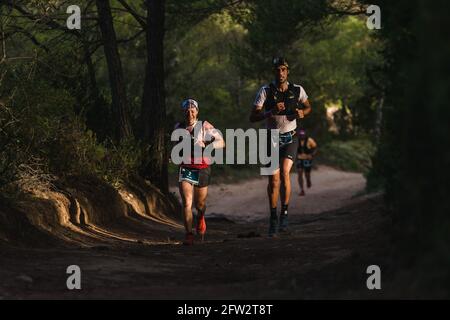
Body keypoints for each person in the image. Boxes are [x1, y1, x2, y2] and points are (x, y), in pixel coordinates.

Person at [249, 57, 312, 236]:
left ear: (287, 71)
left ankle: (284, 213)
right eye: (277, 70)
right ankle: (273, 217)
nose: (281, 73)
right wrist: (270, 112)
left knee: (285, 174)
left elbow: (308, 107)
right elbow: (252, 117)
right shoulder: (265, 91)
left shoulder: (297, 90)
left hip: (290, 138)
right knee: (273, 180)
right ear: (274, 72)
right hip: (271, 139)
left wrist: (302, 113)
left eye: (283, 69)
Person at [174, 98, 225, 245]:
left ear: (197, 111)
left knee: (200, 204)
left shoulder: (204, 125)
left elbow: (222, 142)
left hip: (202, 168)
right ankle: (189, 235)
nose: (189, 113)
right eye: (187, 111)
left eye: (192, 111)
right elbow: (175, 146)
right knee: (187, 203)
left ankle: (201, 218)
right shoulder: (178, 127)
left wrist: (208, 146)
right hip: (186, 168)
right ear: (183, 112)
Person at [296, 129, 317, 196]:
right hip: (299, 159)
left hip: (307, 159)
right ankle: (302, 190)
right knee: (299, 173)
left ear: (305, 135)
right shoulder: (296, 141)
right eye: (301, 135)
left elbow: (315, 148)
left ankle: (308, 180)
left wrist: (312, 154)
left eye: (303, 135)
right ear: (299, 135)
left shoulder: (309, 140)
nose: (302, 136)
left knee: (307, 174)